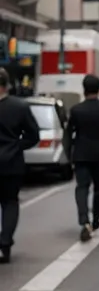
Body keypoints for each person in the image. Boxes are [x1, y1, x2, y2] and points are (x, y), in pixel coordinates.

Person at [64, 74, 99, 242]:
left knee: (82, 188)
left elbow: (68, 134)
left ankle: (84, 220)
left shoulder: (76, 110)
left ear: (84, 88)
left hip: (81, 153)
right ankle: (96, 221)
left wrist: (69, 153)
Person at [0, 68, 39, 263]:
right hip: (11, 163)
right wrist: (16, 146)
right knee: (9, 203)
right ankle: (4, 243)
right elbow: (33, 136)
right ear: (7, 85)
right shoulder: (19, 107)